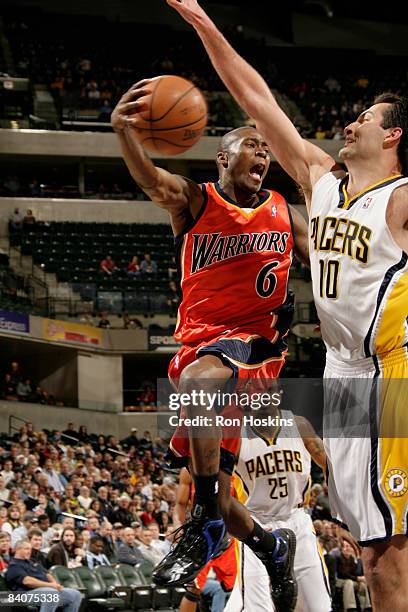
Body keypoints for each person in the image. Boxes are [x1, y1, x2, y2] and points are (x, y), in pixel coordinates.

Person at [165, 1, 408, 609]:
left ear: (394, 135)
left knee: (393, 550)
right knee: (371, 548)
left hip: (389, 372)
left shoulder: (402, 200)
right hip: (341, 373)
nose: (349, 126)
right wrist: (205, 24)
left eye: (364, 120)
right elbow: (255, 98)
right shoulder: (319, 178)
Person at [112, 68, 309, 611]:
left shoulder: (286, 213)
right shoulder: (196, 202)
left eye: (267, 149)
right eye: (252, 145)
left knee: (201, 382)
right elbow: (153, 180)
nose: (263, 154)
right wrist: (124, 131)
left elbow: (330, 265)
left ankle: (200, 527)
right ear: (223, 158)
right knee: (223, 496)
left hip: (257, 346)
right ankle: (272, 548)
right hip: (201, 343)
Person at [6, 539, 82, 612]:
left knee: (75, 594)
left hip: (46, 590)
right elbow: (27, 581)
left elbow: (47, 574)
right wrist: (51, 586)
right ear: (18, 550)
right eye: (26, 549)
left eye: (30, 549)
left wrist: (55, 585)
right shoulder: (14, 565)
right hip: (24, 595)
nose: (29, 552)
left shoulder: (32, 562)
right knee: (51, 594)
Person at [336, 540, 371, 611]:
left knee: (362, 584)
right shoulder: (338, 558)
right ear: (341, 549)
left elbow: (355, 572)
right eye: (344, 547)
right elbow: (343, 574)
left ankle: (366, 607)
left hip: (350, 579)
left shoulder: (351, 559)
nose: (347, 548)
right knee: (349, 582)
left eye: (348, 546)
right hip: (339, 580)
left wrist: (357, 560)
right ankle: (350, 607)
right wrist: (357, 578)